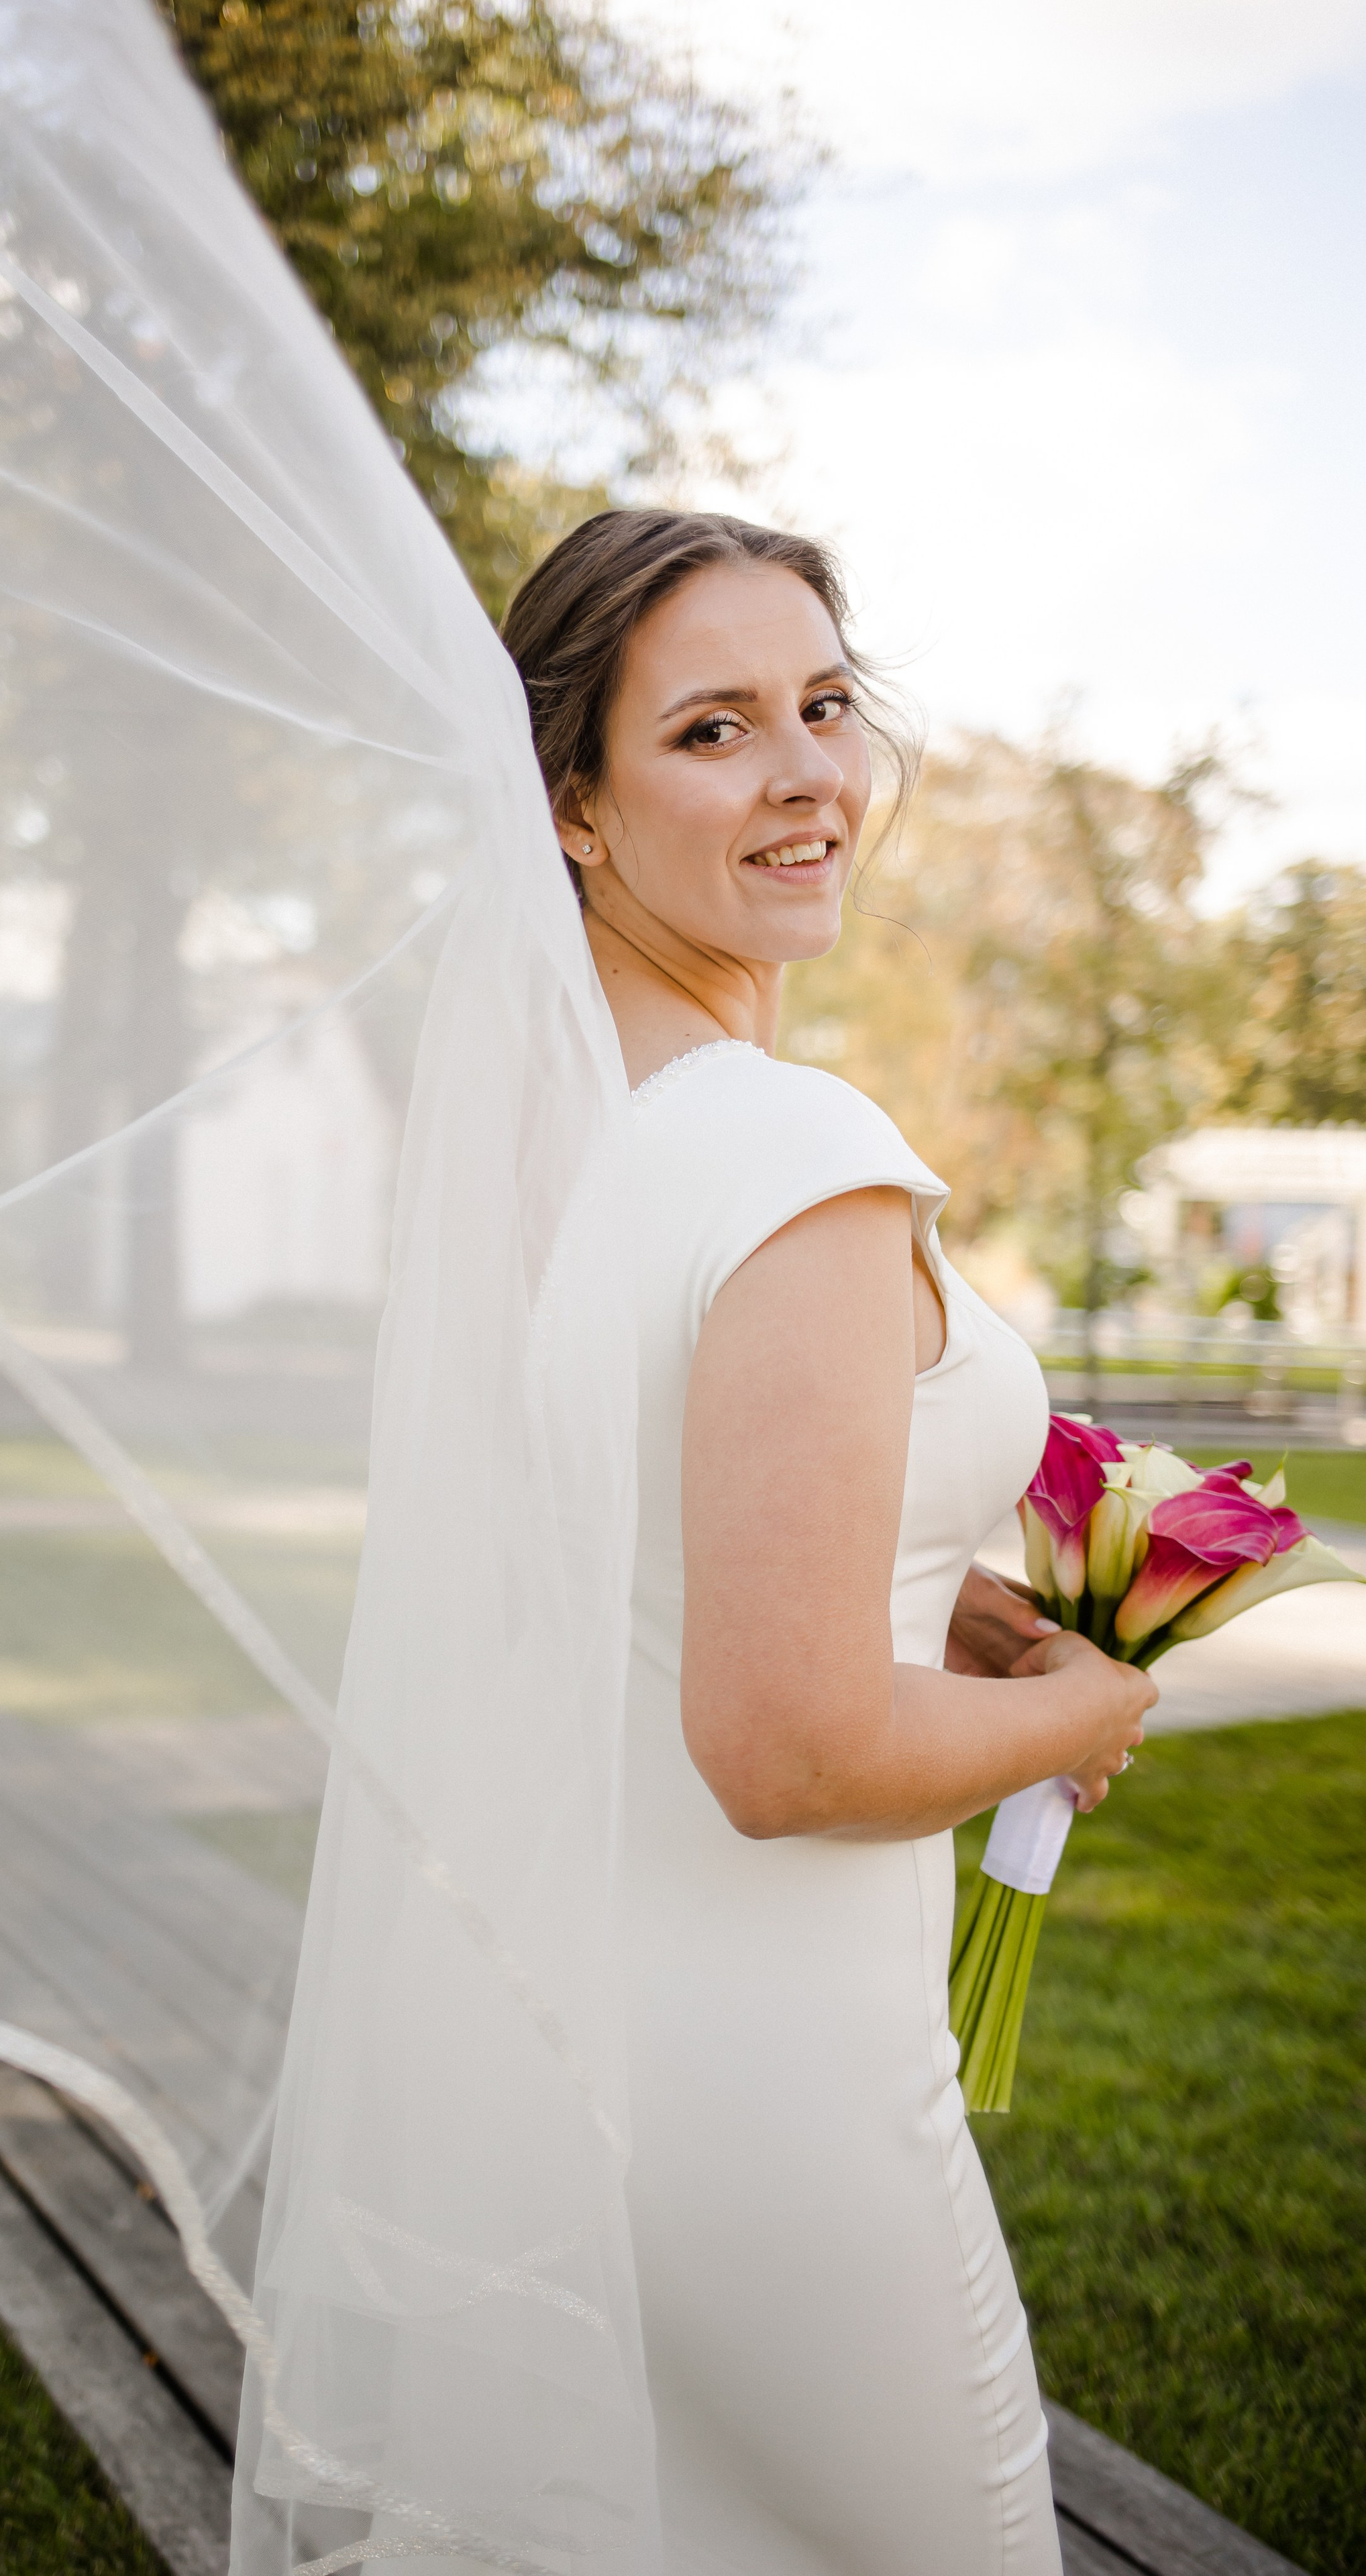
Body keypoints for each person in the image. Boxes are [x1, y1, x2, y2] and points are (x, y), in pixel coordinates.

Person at [498, 508, 1157, 2575]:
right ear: (575, 807)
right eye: (713, 728)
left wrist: (937, 1600)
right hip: (783, 2089)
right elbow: (783, 1751)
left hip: (584, 2040)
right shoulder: (790, 1148)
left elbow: (628, 1532)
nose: (808, 776)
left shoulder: (563, 1139)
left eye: (825, 706)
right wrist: (1097, 1701)